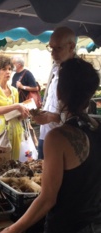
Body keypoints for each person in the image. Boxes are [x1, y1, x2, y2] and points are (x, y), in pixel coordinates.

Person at [0, 58, 101, 233]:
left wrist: (12, 230)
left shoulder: (58, 137)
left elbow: (47, 199)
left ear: (60, 91)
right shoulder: (97, 127)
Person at [33, 26, 77, 159]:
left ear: (71, 47)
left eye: (58, 48)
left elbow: (79, 117)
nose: (52, 53)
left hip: (63, 139)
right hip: (45, 134)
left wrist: (52, 117)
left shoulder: (79, 74)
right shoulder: (56, 67)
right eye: (51, 48)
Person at [0, 55, 30, 160]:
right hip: (0, 133)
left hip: (16, 131)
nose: (8, 72)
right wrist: (17, 106)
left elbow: (16, 114)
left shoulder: (14, 90)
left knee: (15, 164)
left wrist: (23, 114)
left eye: (10, 69)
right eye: (4, 69)